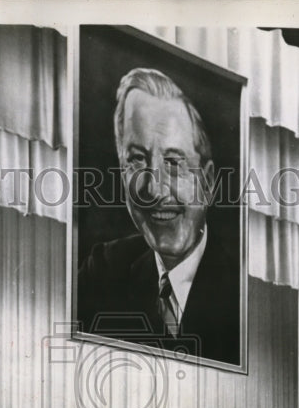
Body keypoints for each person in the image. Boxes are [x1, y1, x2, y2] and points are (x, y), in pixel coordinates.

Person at [77, 67, 240, 366]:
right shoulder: (102, 271)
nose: (153, 188)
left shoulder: (245, 294)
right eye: (137, 159)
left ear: (207, 182)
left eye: (174, 162)